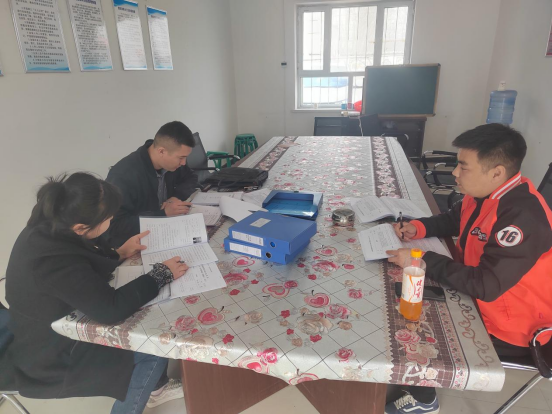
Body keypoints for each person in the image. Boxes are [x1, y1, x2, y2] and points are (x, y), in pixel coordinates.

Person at [384, 124, 552, 414]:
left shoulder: (522, 218)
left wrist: (422, 259)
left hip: (512, 325)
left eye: (463, 166)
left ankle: (424, 398)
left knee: (411, 318)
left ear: (496, 172)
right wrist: (418, 227)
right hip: (481, 293)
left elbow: (486, 286)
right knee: (401, 292)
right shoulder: (487, 192)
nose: (455, 173)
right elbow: (455, 219)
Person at [1, 173, 189, 414]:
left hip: (39, 325)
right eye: (109, 218)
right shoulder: (51, 260)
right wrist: (161, 274)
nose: (111, 220)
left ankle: (154, 384)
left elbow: (81, 259)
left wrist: (119, 253)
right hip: (47, 354)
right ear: (81, 227)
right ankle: (145, 397)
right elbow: (110, 310)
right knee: (152, 348)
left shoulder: (51, 222)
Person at [106, 121, 198, 246]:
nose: (183, 163)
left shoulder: (171, 163)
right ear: (161, 151)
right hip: (136, 242)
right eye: (181, 158)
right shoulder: (124, 176)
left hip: (166, 229)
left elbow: (191, 177)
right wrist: (163, 214)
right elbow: (115, 226)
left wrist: (175, 196)